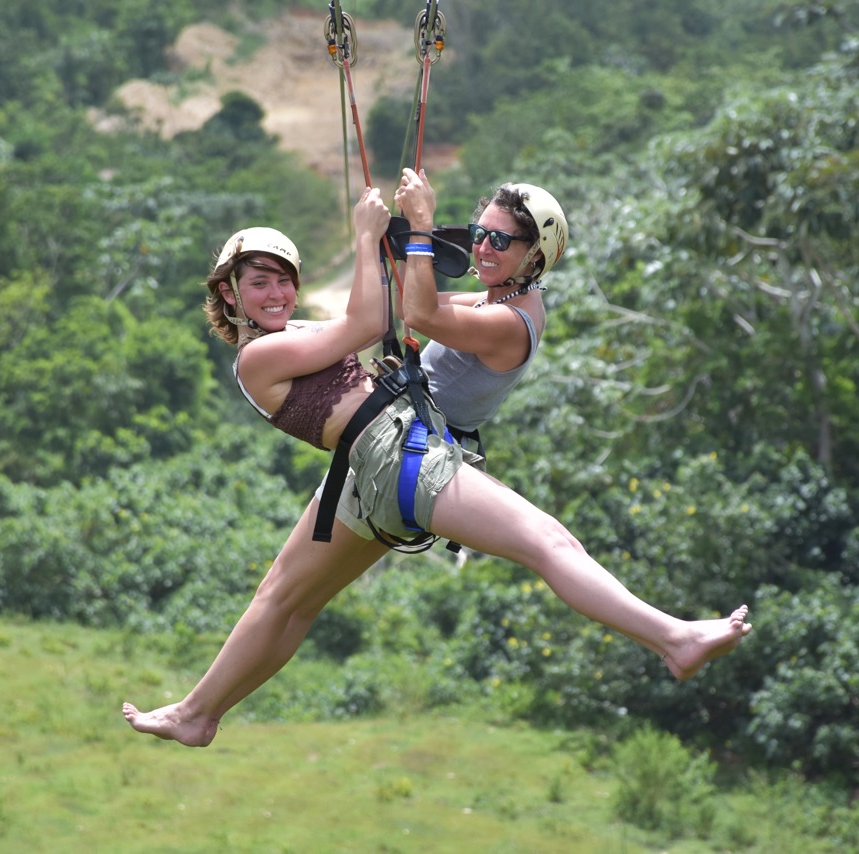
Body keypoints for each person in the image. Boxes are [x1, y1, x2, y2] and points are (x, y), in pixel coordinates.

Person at [122, 187, 752, 748]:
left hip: (371, 468)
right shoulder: (258, 356)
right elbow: (374, 319)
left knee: (286, 600)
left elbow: (395, 310)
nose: (278, 295)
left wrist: (402, 240)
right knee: (547, 541)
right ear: (228, 294)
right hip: (395, 455)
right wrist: (376, 236)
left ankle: (197, 713)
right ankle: (673, 639)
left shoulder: (305, 335)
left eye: (285, 282)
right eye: (260, 284)